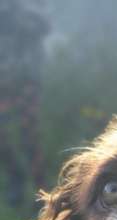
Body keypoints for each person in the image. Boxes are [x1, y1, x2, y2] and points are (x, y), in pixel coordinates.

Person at [0, 0, 49, 208]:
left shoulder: (29, 9)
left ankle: (41, 194)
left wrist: (17, 15)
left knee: (30, 139)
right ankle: (16, 179)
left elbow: (43, 26)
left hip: (26, 81)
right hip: (4, 81)